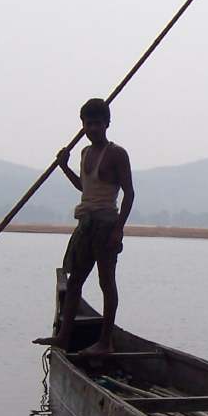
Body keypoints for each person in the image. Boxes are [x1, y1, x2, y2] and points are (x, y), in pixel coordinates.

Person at [35, 98, 134, 355]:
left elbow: (129, 194)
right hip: (86, 224)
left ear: (107, 124)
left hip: (105, 224)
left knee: (106, 282)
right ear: (82, 125)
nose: (92, 129)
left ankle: (105, 342)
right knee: (75, 281)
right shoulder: (84, 153)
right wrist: (64, 166)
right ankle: (64, 337)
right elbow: (83, 186)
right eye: (88, 124)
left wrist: (118, 229)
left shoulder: (117, 154)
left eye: (97, 124)